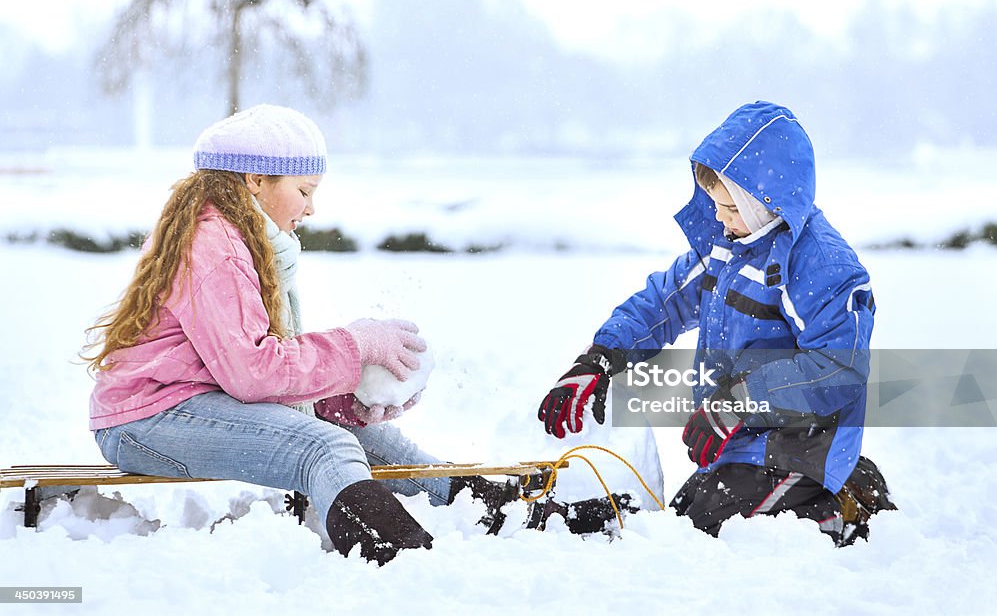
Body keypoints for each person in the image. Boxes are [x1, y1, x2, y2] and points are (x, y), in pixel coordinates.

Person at [84, 105, 617, 566]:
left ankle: (488, 508)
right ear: (254, 181)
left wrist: (342, 397)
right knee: (323, 447)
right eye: (304, 191)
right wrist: (356, 346)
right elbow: (251, 370)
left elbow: (248, 363)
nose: (312, 208)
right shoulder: (216, 248)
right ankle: (407, 560)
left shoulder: (235, 238)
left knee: (372, 442)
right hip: (148, 419)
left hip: (194, 403)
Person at [537, 101, 895, 546]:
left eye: (730, 206)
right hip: (739, 437)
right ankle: (831, 486)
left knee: (703, 536)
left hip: (799, 443)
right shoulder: (727, 246)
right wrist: (600, 359)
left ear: (767, 202)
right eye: (714, 205)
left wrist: (739, 400)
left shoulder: (821, 266)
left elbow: (839, 367)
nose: (721, 220)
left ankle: (833, 509)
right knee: (685, 516)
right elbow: (661, 304)